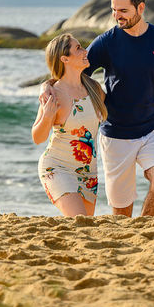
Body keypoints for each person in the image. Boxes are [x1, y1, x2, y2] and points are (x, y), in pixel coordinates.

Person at [43, 0, 154, 216]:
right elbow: (71, 73)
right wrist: (45, 87)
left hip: (153, 128)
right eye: (113, 10)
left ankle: (144, 227)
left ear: (140, 8)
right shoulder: (106, 42)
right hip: (116, 136)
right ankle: (130, 233)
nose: (117, 16)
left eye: (123, 11)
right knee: (121, 213)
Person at [31, 32, 107, 217]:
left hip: (89, 173)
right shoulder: (53, 94)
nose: (85, 51)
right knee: (79, 222)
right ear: (64, 58)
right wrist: (47, 117)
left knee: (85, 228)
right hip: (57, 167)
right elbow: (38, 138)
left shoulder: (94, 88)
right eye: (78, 48)